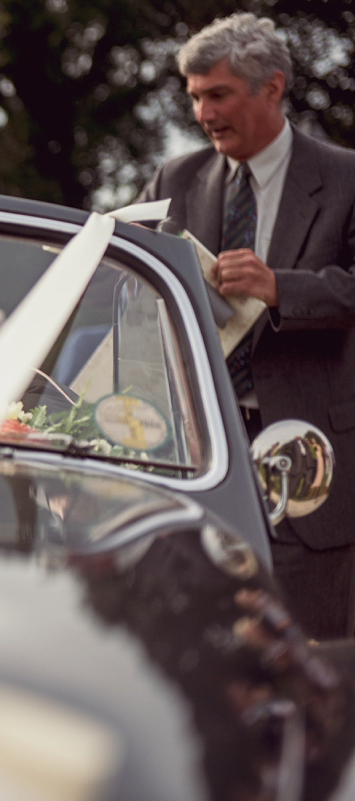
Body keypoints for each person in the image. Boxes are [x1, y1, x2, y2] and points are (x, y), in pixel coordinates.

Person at [137, 13, 355, 638]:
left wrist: (279, 287)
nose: (204, 113)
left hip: (312, 468)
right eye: (196, 97)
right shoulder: (172, 180)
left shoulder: (345, 179)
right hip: (198, 461)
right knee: (202, 648)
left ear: (272, 88)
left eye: (219, 94)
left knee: (306, 655)